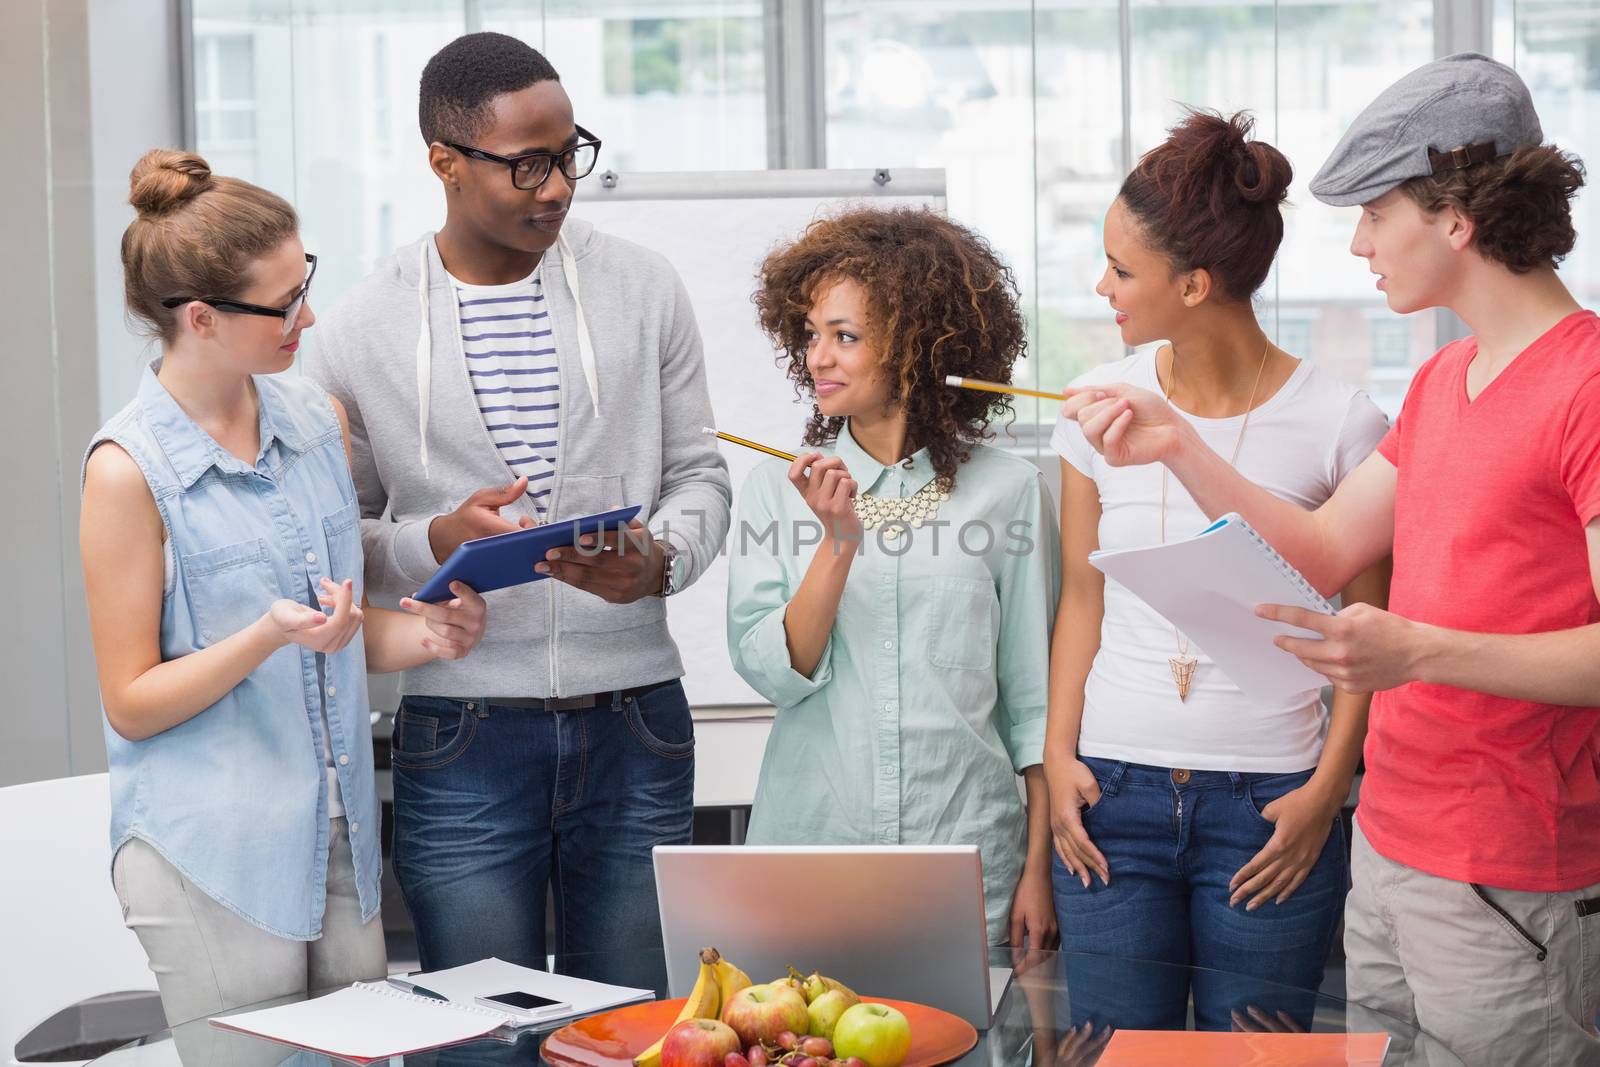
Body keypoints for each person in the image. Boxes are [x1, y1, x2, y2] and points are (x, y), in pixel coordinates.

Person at [1060, 54, 1600, 1066]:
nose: (1357, 243)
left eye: (1373, 213)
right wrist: (1175, 440)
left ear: (1454, 216)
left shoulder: (1587, 383)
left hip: (1511, 871)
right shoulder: (1444, 380)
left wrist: (1417, 652)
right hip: (1390, 851)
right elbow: (1315, 546)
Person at [302, 32, 731, 990]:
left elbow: (701, 473)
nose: (558, 188)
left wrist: (659, 561)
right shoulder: (362, 327)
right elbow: (343, 541)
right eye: (528, 164)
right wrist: (434, 541)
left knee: (628, 1032)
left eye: (570, 153)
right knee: (479, 1035)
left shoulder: (644, 288)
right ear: (444, 165)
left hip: (636, 723)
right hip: (461, 733)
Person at [80, 149, 488, 1026]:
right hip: (213, 854)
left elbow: (335, 630)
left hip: (338, 838)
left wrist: (428, 634)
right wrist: (263, 633)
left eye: (305, 279)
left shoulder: (314, 421)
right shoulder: (127, 472)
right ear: (201, 316)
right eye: (284, 301)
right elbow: (132, 702)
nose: (309, 314)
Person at [1044, 110, 1391, 1032]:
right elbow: (1082, 596)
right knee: (1114, 1052)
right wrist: (1057, 754)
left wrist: (1327, 789)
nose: (1101, 286)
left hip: (1271, 803)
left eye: (1121, 270)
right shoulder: (1096, 406)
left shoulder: (1342, 422)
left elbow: (1372, 634)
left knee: (1262, 1057)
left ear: (1193, 284)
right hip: (1110, 793)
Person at [726, 206, 1060, 950]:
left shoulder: (1010, 493)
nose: (819, 357)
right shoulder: (774, 491)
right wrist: (838, 544)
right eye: (811, 334)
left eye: (846, 336)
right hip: (811, 855)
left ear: (919, 345)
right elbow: (773, 672)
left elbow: (1034, 704)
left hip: (968, 859)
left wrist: (1040, 869)